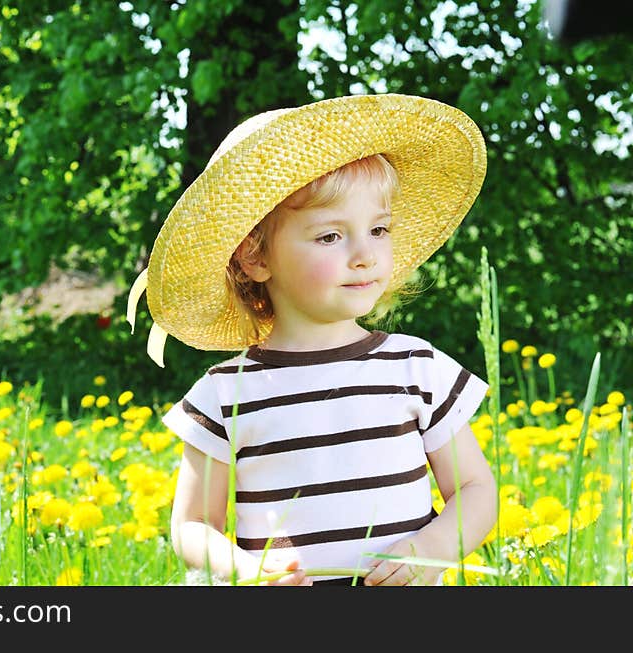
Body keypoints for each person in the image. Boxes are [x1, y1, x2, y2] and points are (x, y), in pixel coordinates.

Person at [126, 94, 498, 586]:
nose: (365, 254)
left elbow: (475, 490)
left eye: (379, 229)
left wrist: (428, 548)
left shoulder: (416, 367)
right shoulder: (226, 392)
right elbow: (192, 527)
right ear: (255, 258)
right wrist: (246, 568)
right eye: (330, 237)